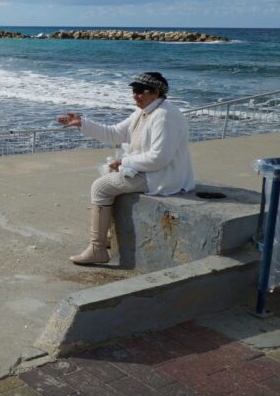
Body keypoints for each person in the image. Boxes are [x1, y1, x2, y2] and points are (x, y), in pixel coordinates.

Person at [57, 72, 195, 265]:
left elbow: (160, 158)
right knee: (108, 179)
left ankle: (97, 249)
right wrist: (83, 123)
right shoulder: (144, 111)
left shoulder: (165, 116)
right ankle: (104, 238)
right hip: (150, 170)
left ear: (156, 92)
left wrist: (124, 162)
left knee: (101, 187)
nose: (134, 95)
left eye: (139, 91)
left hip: (162, 176)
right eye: (133, 90)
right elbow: (114, 134)